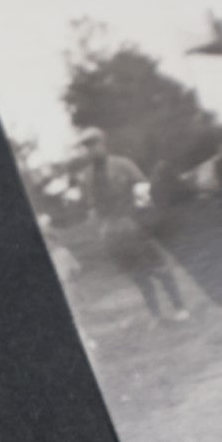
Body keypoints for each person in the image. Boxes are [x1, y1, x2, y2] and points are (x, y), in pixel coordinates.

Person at [75, 127, 190, 324]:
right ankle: (156, 315)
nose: (92, 149)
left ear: (103, 143)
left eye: (95, 144)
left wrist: (143, 219)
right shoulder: (86, 176)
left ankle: (179, 308)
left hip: (133, 223)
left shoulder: (122, 164)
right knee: (138, 276)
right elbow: (92, 205)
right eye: (87, 146)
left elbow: (143, 189)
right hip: (111, 230)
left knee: (159, 268)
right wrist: (102, 229)